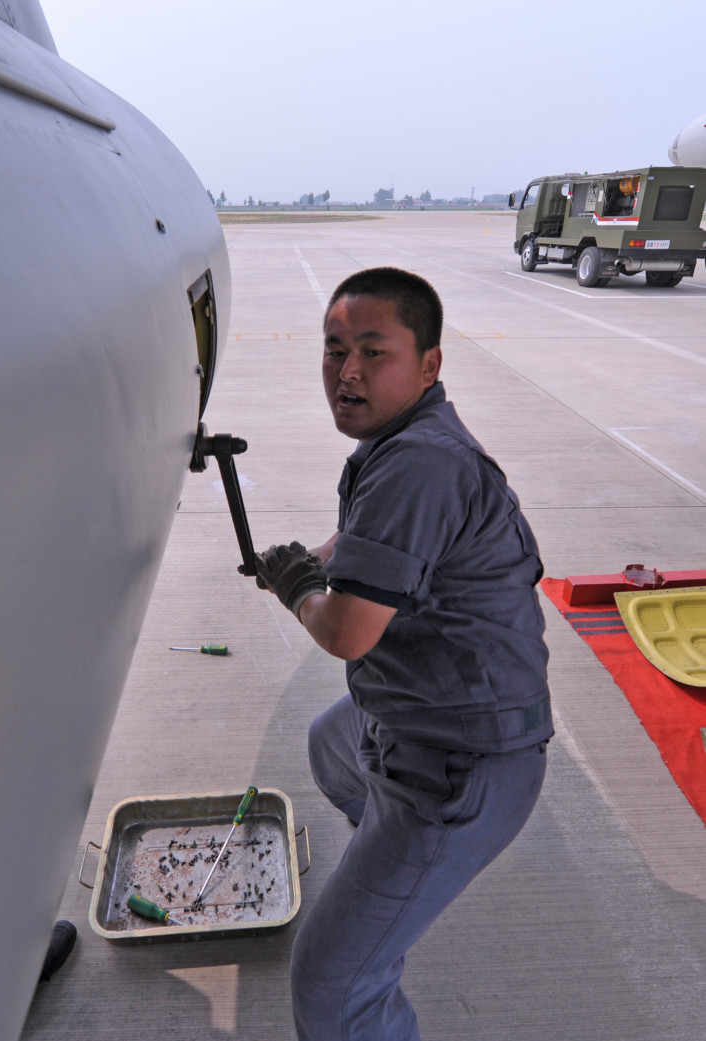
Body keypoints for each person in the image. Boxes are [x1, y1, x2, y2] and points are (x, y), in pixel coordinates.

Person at [251, 267, 552, 1041]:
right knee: (331, 745)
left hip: (466, 758)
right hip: (428, 716)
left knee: (331, 983)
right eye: (334, 348)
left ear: (429, 365)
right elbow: (361, 544)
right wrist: (309, 560)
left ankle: (405, 872)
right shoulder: (404, 441)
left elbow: (346, 631)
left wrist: (297, 589)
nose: (346, 371)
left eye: (373, 351)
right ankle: (394, 876)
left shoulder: (419, 463)